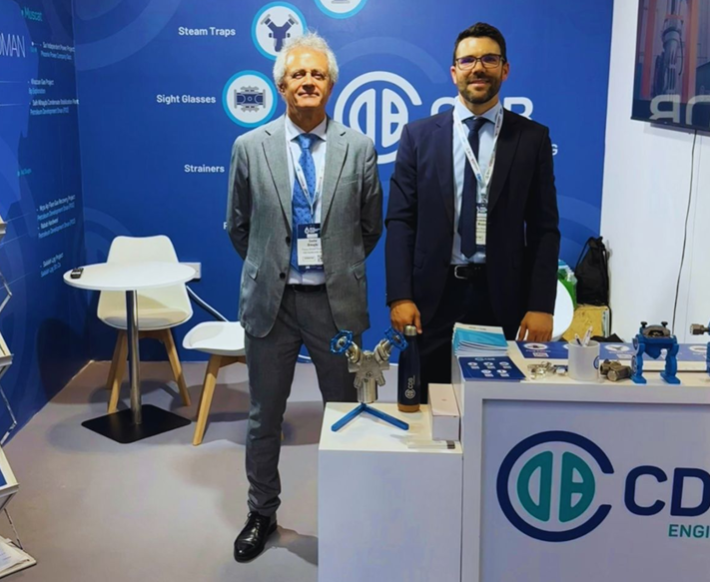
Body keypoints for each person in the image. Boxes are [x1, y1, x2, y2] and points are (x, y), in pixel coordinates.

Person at [226, 32, 383, 562]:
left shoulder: (359, 148)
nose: (308, 82)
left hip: (335, 306)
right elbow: (239, 226)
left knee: (346, 415)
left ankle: (349, 513)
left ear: (331, 84)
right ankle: (261, 513)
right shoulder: (250, 147)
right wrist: (273, 266)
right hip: (272, 305)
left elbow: (369, 227)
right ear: (282, 86)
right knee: (263, 417)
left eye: (317, 74)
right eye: (298, 74)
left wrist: (333, 266)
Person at [385, 22, 560, 392]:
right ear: (454, 72)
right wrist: (400, 296)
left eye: (489, 60)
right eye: (468, 61)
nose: (478, 68)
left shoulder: (531, 139)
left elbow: (544, 228)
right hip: (432, 298)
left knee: (497, 404)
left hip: (503, 299)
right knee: (428, 403)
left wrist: (542, 305)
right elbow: (400, 221)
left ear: (505, 69)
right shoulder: (418, 137)